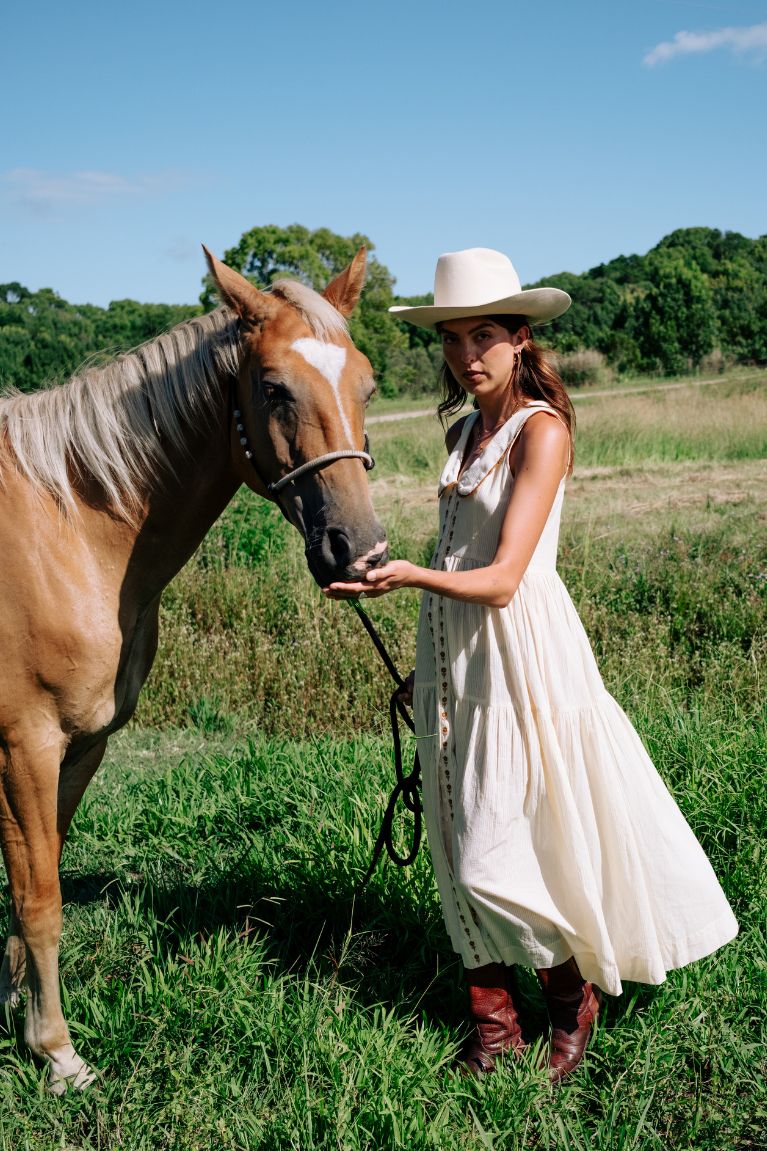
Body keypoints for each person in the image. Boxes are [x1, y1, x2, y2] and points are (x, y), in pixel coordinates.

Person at [323, 247, 738, 1082]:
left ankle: (568, 998)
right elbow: (457, 556)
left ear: (519, 338)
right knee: (451, 841)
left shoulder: (539, 432)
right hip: (455, 662)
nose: (465, 355)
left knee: (495, 850)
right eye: (450, 339)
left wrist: (405, 574)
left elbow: (505, 578)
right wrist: (421, 656)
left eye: (483, 336)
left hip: (521, 658)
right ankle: (494, 1027)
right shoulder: (460, 431)